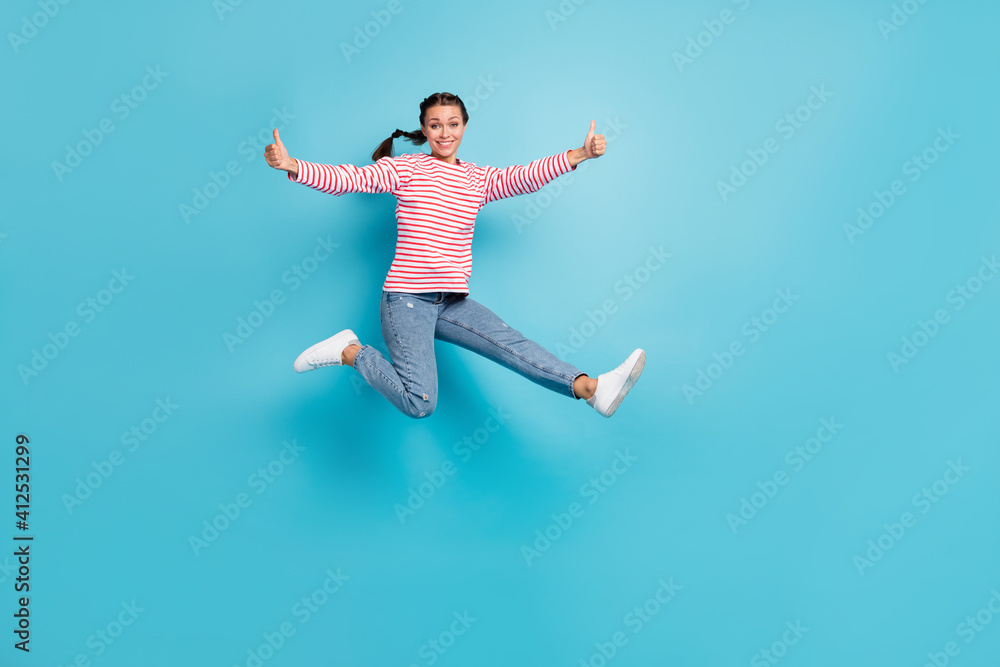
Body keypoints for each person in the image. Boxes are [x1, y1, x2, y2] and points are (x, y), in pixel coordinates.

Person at [264, 91, 644, 418]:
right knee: (420, 402)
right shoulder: (407, 169)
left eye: (452, 124)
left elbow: (524, 176)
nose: (444, 133)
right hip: (407, 300)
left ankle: (591, 389)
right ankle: (349, 351)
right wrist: (292, 165)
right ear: (424, 130)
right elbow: (350, 179)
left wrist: (580, 153)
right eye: (435, 125)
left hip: (450, 301)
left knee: (514, 347)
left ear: (464, 126)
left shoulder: (477, 178)